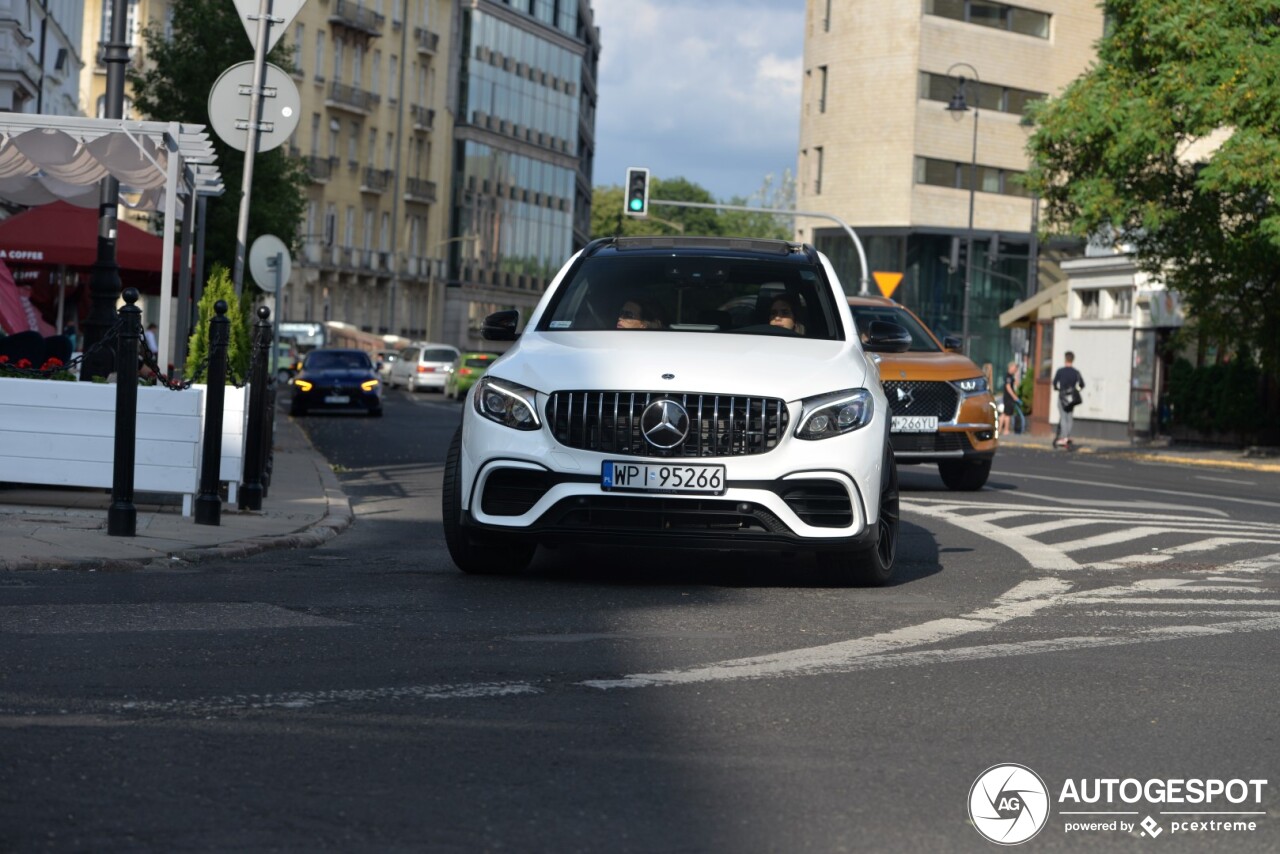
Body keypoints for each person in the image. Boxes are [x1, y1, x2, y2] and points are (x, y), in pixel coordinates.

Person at [1052, 351, 1085, 449]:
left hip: (1062, 396)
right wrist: (1076, 390)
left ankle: (1064, 437)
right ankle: (1068, 435)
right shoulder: (1076, 372)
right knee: (1069, 417)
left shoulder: (1060, 371)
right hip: (1072, 398)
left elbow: (1054, 383)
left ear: (1065, 359)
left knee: (1063, 417)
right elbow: (1082, 384)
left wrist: (1057, 389)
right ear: (1072, 360)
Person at [1000, 360, 1021, 436]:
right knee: (1008, 414)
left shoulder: (1011, 376)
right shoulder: (1008, 376)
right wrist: (1014, 397)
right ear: (1011, 367)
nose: (1016, 370)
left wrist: (1017, 375)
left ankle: (999, 429)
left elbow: (1017, 384)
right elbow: (1008, 387)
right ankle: (1006, 430)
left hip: (1007, 397)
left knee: (1004, 414)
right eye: (1015, 368)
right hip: (1008, 398)